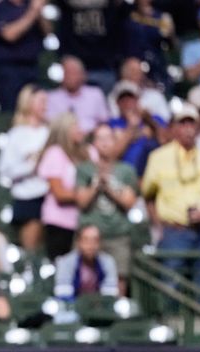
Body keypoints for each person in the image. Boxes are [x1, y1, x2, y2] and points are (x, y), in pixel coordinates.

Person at [141, 104, 200, 296]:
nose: (188, 129)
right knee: (170, 283)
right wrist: (158, 227)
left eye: (192, 124)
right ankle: (168, 324)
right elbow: (148, 196)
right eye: (183, 123)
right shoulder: (158, 157)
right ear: (174, 127)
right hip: (173, 230)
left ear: (198, 128)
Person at [75, 123, 138, 294]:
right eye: (100, 138)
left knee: (119, 281)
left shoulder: (126, 170)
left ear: (115, 141)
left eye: (108, 138)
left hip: (118, 235)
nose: (104, 143)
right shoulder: (84, 169)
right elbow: (81, 202)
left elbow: (129, 202)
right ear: (94, 143)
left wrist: (109, 188)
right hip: (90, 236)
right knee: (85, 279)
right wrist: (96, 185)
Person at [0, 84, 49, 253]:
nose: (45, 105)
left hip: (51, 195)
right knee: (31, 250)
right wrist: (31, 166)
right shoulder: (17, 134)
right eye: (41, 101)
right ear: (29, 103)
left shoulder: (49, 132)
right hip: (29, 197)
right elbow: (5, 170)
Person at [38, 112, 93, 260]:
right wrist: (84, 194)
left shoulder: (88, 153)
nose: (80, 130)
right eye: (75, 127)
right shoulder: (55, 153)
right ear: (64, 130)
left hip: (84, 221)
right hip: (59, 222)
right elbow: (59, 193)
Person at [0, 0, 48, 112]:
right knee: (10, 110)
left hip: (32, 66)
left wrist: (39, 11)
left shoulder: (29, 5)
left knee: (33, 109)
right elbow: (9, 35)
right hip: (9, 70)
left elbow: (48, 32)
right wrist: (33, 12)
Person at [46, 56, 110, 135]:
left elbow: (104, 121)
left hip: (91, 139)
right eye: (67, 72)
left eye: (74, 72)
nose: (70, 77)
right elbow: (49, 124)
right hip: (62, 140)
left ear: (83, 75)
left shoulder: (95, 94)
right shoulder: (51, 97)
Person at [53, 225, 119, 301]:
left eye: (95, 240)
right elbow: (63, 295)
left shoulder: (108, 262)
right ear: (78, 242)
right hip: (72, 307)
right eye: (86, 240)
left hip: (99, 307)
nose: (91, 246)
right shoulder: (65, 262)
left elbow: (110, 296)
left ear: (100, 243)